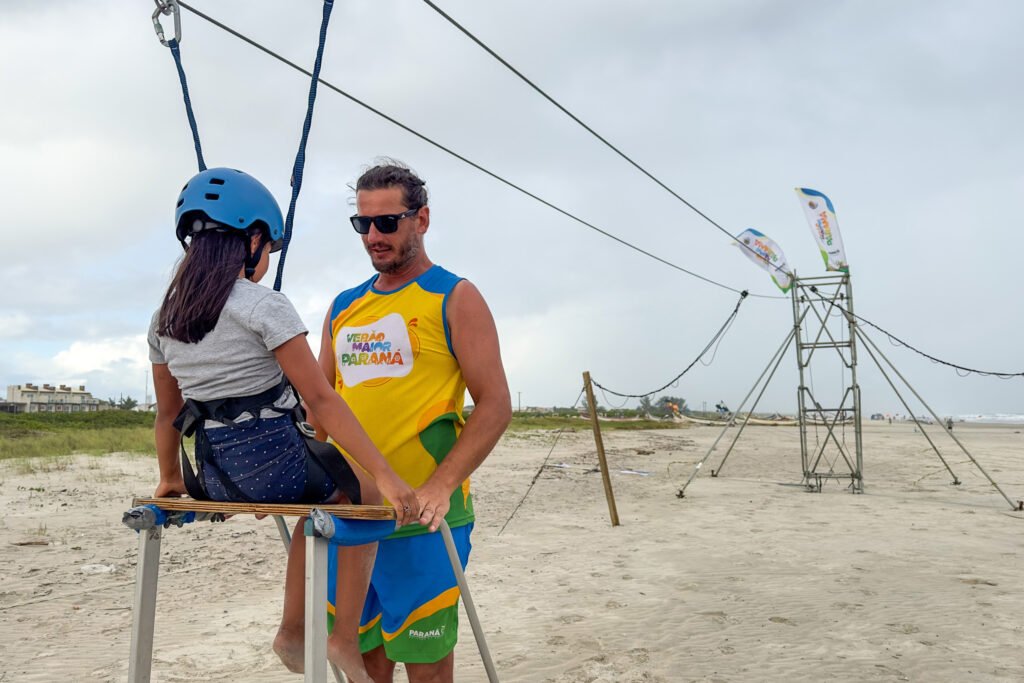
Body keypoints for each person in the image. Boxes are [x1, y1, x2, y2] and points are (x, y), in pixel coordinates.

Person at [148, 167, 420, 683]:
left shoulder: (165, 316)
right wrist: (384, 475)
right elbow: (320, 397)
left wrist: (170, 479)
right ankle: (338, 640)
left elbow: (168, 414)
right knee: (361, 495)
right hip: (277, 465)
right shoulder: (262, 304)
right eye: (267, 246)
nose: (267, 257)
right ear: (251, 239)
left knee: (311, 510)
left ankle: (293, 631)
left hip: (217, 477)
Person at [316, 161, 511, 682]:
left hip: (424, 520)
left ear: (421, 219)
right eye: (363, 224)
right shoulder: (343, 307)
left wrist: (442, 485)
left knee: (426, 667)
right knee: (364, 665)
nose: (374, 237)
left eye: (388, 222)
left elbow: (494, 405)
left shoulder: (455, 296)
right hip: (353, 518)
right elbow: (319, 409)